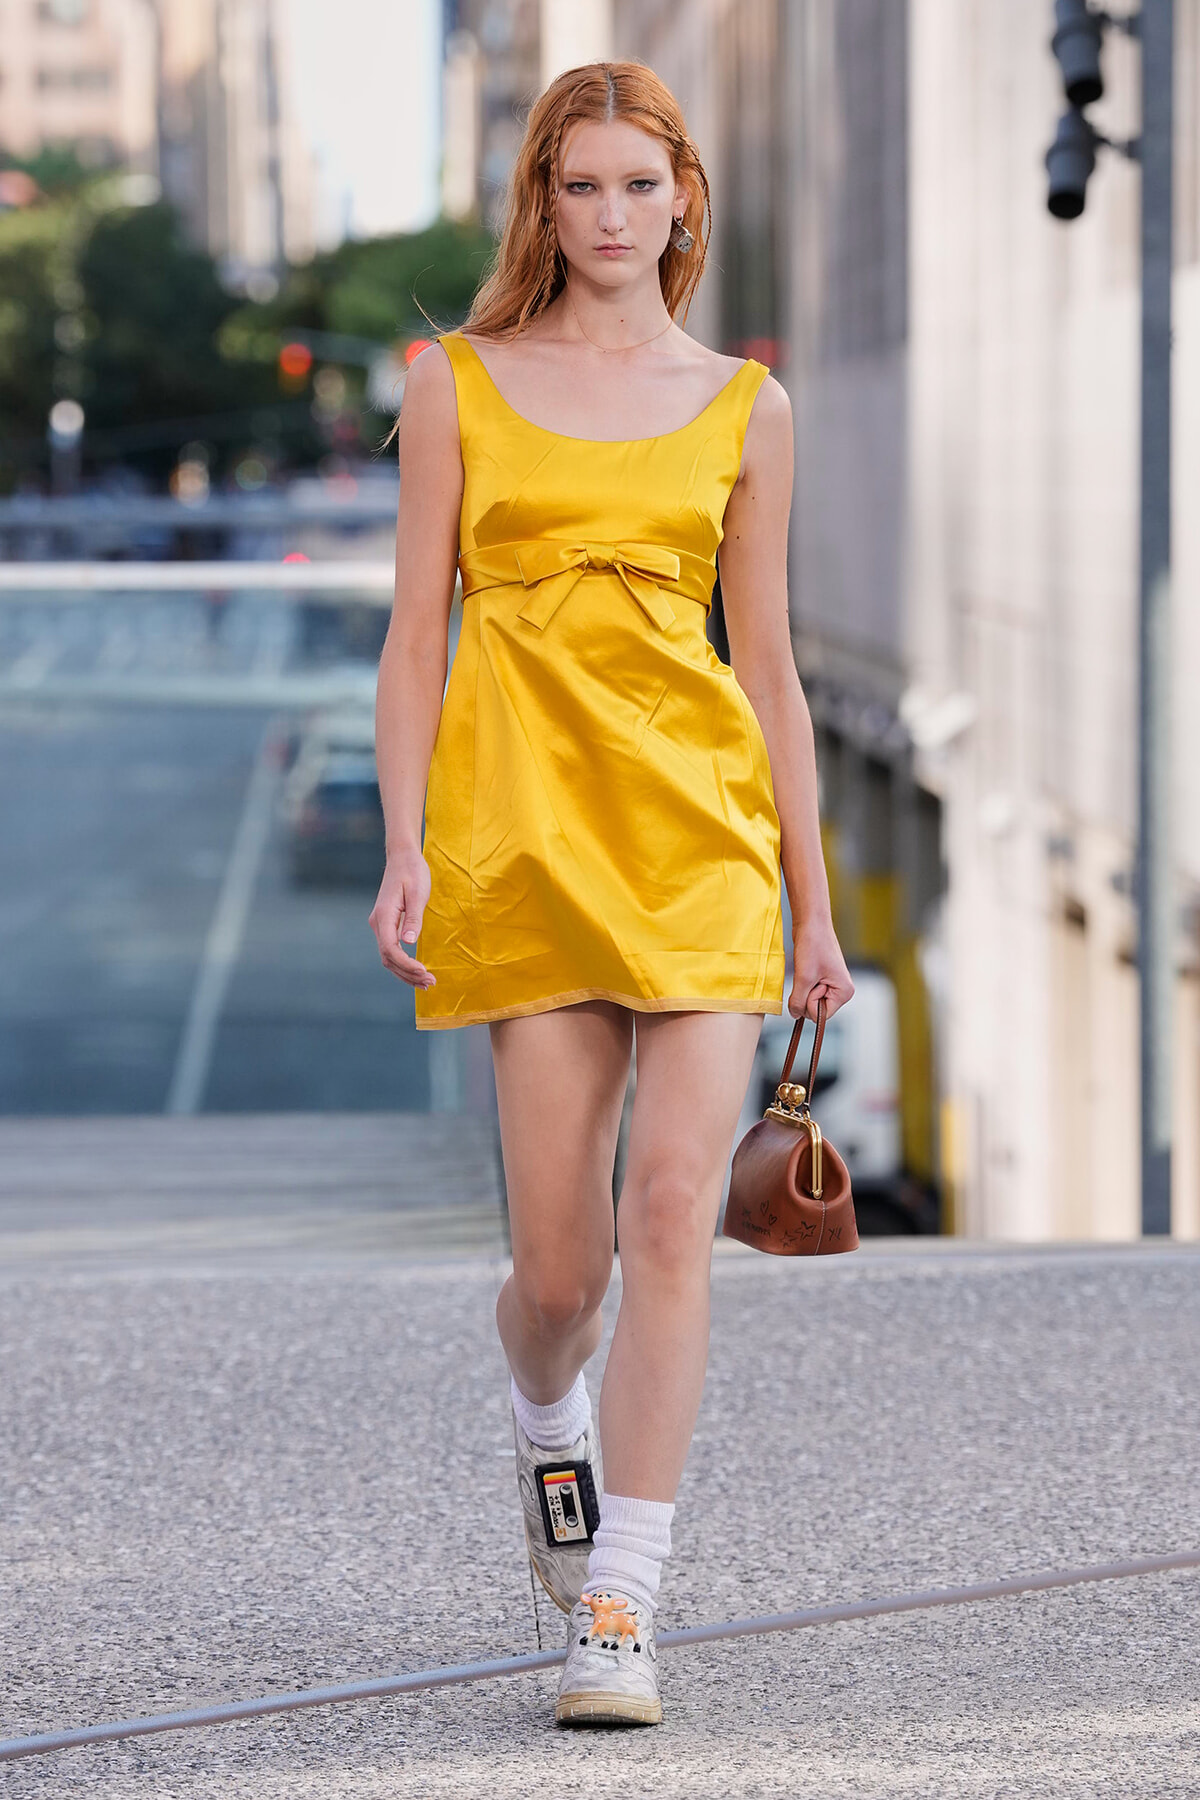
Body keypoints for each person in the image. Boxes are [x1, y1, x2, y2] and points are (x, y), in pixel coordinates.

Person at [370, 60, 853, 1728]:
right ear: (543, 201)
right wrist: (404, 843)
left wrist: (811, 899)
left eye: (639, 185)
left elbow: (770, 670)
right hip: (522, 842)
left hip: (700, 841)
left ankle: (622, 1609)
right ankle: (544, 1421)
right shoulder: (457, 382)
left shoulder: (746, 404)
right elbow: (414, 640)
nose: (610, 216)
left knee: (669, 1217)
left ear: (684, 201)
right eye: (579, 186)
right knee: (561, 1276)